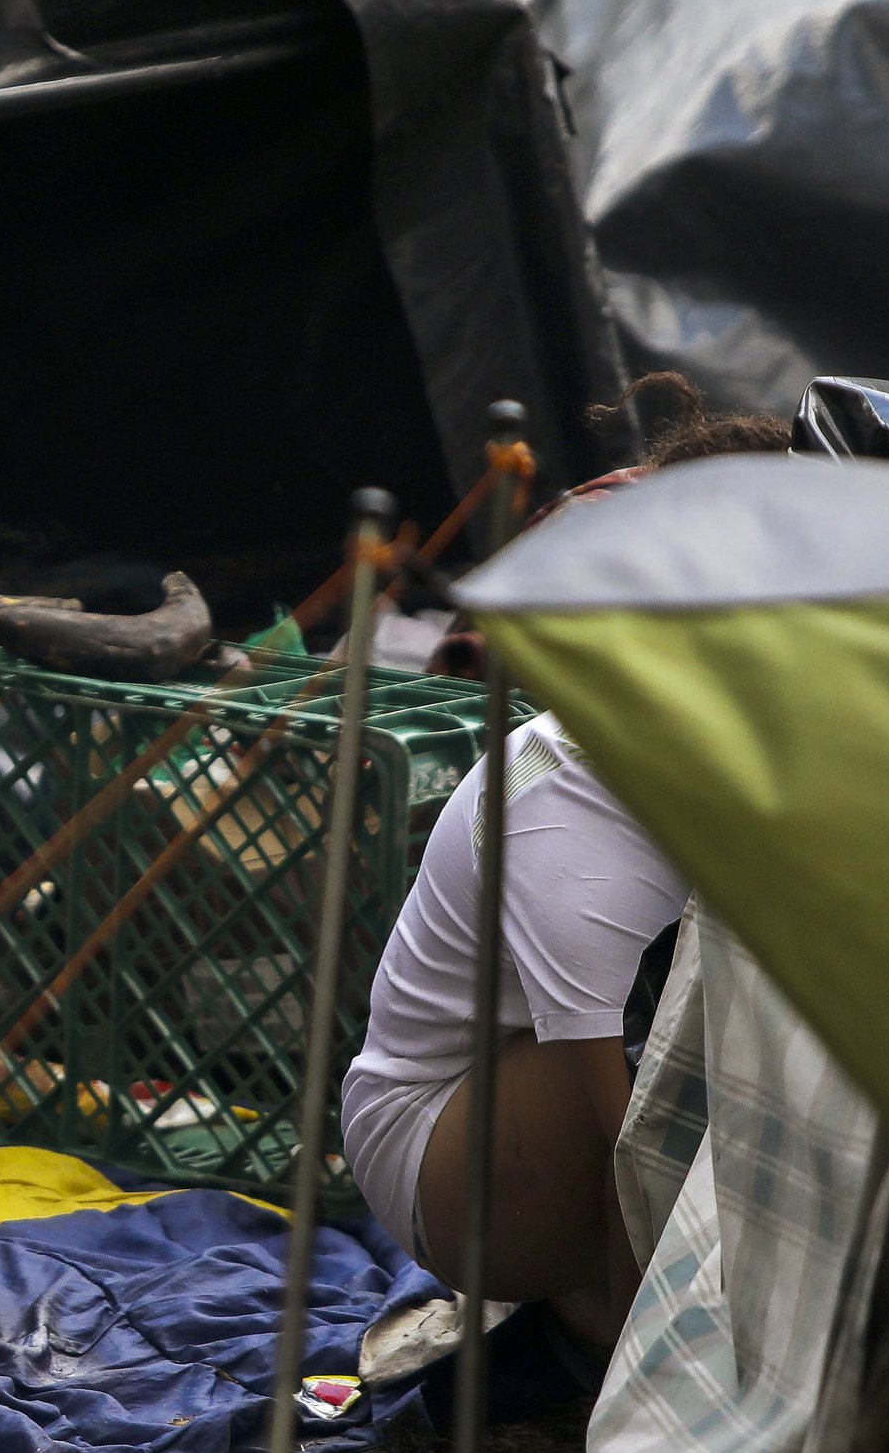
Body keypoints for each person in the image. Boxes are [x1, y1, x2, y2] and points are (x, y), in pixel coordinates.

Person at [335, 375, 786, 1346]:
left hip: (555, 1086)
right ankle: (625, 1363)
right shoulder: (567, 797)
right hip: (439, 1134)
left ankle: (593, 1303)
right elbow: (637, 1134)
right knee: (672, 1042)